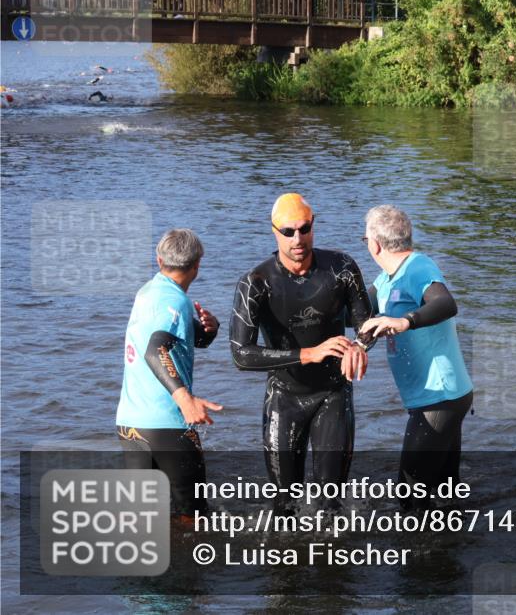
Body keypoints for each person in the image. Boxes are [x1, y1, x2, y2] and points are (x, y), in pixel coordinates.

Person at [230, 194, 372, 514]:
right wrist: (309, 353)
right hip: (284, 397)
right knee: (284, 505)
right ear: (274, 231)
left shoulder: (342, 268)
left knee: (330, 504)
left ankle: (331, 562)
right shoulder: (256, 282)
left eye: (304, 229)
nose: (297, 238)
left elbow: (367, 325)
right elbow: (241, 354)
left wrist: (360, 348)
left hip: (333, 394)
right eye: (288, 231)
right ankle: (286, 565)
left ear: (313, 226)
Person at [359, 206, 473, 510]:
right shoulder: (386, 280)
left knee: (410, 497)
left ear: (375, 244)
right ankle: (456, 548)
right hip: (443, 396)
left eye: (364, 239)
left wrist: (404, 321)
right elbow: (354, 311)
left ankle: (420, 556)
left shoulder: (417, 267)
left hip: (438, 397)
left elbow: (445, 303)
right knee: (446, 490)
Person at [117, 229, 223, 518]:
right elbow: (155, 349)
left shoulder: (149, 292)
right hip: (167, 426)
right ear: (197, 266)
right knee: (195, 518)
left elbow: (177, 338)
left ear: (159, 259)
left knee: (144, 519)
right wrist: (185, 399)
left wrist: (208, 331)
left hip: (130, 425)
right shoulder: (175, 302)